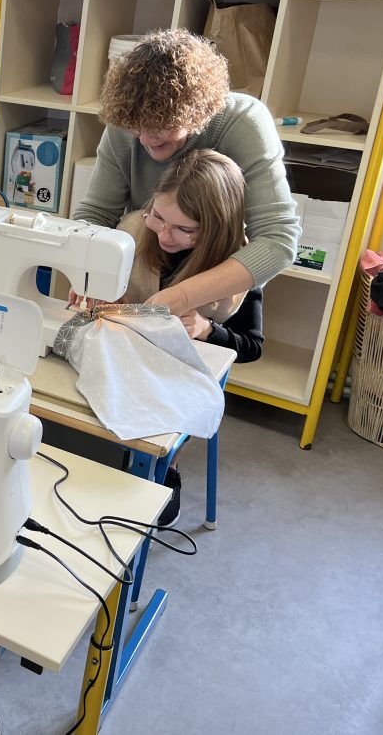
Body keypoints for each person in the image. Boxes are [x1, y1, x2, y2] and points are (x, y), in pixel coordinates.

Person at [73, 28, 300, 317]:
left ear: (198, 112)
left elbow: (277, 240)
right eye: (136, 129)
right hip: (147, 263)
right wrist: (89, 271)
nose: (145, 140)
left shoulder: (244, 123)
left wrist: (181, 297)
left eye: (160, 127)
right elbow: (95, 215)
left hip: (214, 274)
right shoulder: (128, 119)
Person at [117, 150, 264, 525]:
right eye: (158, 217)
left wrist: (206, 329)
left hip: (180, 376)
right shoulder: (133, 230)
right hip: (124, 355)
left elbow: (252, 347)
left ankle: (167, 467)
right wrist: (93, 296)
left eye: (185, 229)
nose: (164, 235)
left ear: (215, 228)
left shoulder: (238, 267)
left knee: (159, 425)